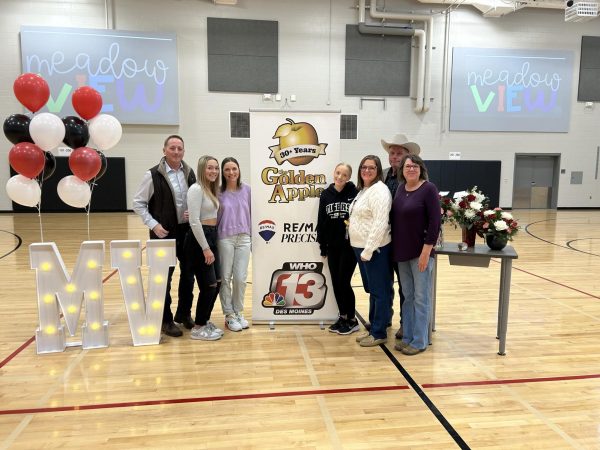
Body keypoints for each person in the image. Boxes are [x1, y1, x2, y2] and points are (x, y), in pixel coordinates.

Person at [132, 135, 196, 338]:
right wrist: (154, 224)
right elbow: (138, 203)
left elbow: (196, 199)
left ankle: (183, 314)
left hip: (186, 233)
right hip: (163, 234)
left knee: (188, 275)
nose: (176, 152)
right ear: (164, 150)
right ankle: (165, 319)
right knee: (164, 278)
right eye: (172, 148)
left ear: (184, 151)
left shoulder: (190, 173)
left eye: (180, 148)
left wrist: (193, 213)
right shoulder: (152, 175)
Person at [391, 154, 440, 355]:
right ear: (402, 170)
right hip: (402, 253)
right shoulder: (401, 189)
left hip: (421, 253)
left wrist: (426, 251)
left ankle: (420, 340)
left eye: (415, 166)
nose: (411, 169)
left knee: (421, 298)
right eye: (407, 166)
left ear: (421, 169)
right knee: (407, 297)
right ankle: (409, 337)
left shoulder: (428, 189)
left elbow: (435, 222)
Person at [349, 155, 393, 347]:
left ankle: (379, 332)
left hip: (375, 250)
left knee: (379, 290)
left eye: (371, 168)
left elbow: (380, 223)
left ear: (378, 170)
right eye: (364, 167)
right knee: (373, 290)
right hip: (361, 248)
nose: (367, 171)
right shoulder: (365, 190)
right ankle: (374, 326)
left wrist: (369, 249)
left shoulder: (380, 191)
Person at [380, 133, 421, 340]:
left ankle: (407, 324)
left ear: (408, 156)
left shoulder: (413, 176)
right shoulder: (383, 175)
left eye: (399, 153)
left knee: (407, 286)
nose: (394, 156)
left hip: (404, 240)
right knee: (384, 282)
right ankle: (384, 317)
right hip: (383, 238)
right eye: (392, 153)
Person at [317, 163, 359, 335]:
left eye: (344, 174)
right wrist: (323, 245)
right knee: (335, 282)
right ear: (334, 173)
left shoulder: (354, 193)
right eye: (338, 173)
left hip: (349, 246)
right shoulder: (326, 194)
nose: (340, 177)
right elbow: (321, 220)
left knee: (344, 281)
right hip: (332, 246)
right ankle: (342, 316)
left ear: (349, 177)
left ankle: (352, 319)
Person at [186, 155, 224, 341]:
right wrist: (205, 248)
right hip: (199, 240)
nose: (214, 171)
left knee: (217, 282)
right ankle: (198, 326)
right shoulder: (196, 189)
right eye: (210, 168)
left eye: (216, 168)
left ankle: (204, 320)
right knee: (208, 285)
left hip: (212, 235)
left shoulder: (211, 189)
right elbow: (194, 220)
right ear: (202, 169)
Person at [217, 157, 252, 332]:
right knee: (225, 278)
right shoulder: (217, 192)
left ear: (239, 170)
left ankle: (239, 311)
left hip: (244, 238)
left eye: (234, 169)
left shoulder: (248, 190)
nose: (231, 173)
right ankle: (229, 315)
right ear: (223, 173)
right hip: (225, 238)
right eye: (227, 170)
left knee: (240, 278)